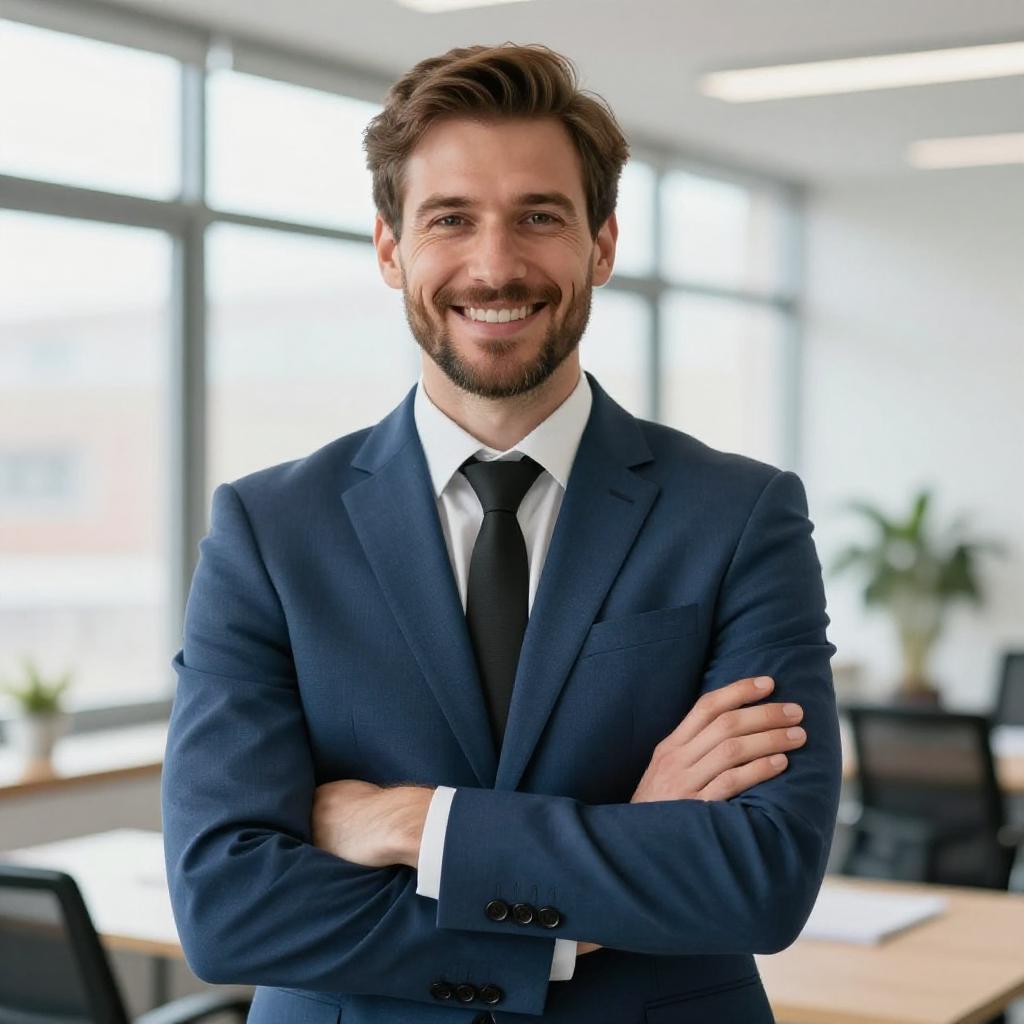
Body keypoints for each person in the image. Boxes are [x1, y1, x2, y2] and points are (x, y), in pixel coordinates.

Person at [162, 43, 841, 1024]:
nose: (494, 263)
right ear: (390, 247)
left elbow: (761, 877)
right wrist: (600, 878)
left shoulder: (738, 515)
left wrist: (410, 820)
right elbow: (227, 907)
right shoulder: (269, 529)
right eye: (450, 219)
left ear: (600, 244)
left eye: (539, 216)